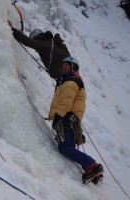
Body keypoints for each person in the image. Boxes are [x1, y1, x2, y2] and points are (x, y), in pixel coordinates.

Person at [48, 56, 104, 184]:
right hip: (71, 119)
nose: (64, 67)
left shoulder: (71, 82)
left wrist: (58, 117)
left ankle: (92, 166)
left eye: (67, 65)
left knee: (65, 148)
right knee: (68, 146)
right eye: (63, 66)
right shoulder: (71, 82)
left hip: (66, 118)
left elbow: (66, 103)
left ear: (74, 68)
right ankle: (92, 172)